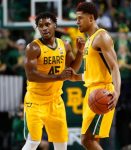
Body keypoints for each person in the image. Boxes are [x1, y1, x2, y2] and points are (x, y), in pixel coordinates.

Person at [22, 12, 85, 150]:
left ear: (55, 25)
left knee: (61, 144)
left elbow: (71, 70)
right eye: (40, 26)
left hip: (56, 102)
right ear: (37, 29)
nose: (44, 28)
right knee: (33, 142)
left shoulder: (65, 45)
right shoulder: (33, 47)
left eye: (47, 24)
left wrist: (80, 52)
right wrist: (58, 77)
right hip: (35, 102)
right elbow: (31, 75)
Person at [73, 2, 121, 150]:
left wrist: (117, 92)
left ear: (91, 18)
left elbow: (114, 67)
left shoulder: (101, 37)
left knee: (87, 139)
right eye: (77, 18)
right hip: (91, 91)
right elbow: (92, 73)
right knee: (88, 140)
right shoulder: (89, 40)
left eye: (80, 18)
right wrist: (75, 77)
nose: (77, 21)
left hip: (102, 92)